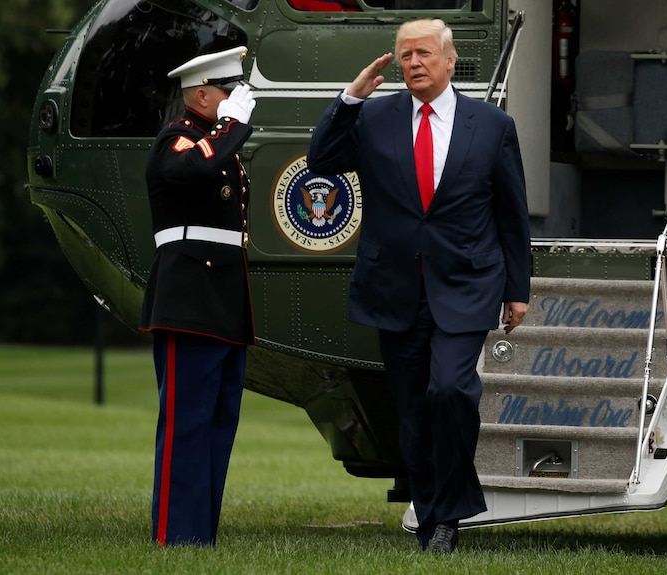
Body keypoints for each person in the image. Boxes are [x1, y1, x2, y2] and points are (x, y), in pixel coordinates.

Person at [307, 19, 530, 554]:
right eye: (405, 55)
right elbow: (322, 161)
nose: (413, 63)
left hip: (467, 284)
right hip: (395, 287)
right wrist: (349, 99)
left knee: (450, 391)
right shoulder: (377, 117)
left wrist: (517, 288)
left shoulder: (492, 124)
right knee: (412, 413)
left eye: (424, 54)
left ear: (450, 61)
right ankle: (434, 516)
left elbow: (511, 212)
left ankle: (448, 514)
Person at [139, 46, 257, 547]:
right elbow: (190, 171)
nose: (236, 101)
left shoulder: (212, 145)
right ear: (203, 94)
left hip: (224, 298)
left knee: (218, 422)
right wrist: (229, 127)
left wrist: (225, 130)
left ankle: (200, 534)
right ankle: (175, 534)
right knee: (187, 422)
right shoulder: (177, 140)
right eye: (228, 92)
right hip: (188, 298)